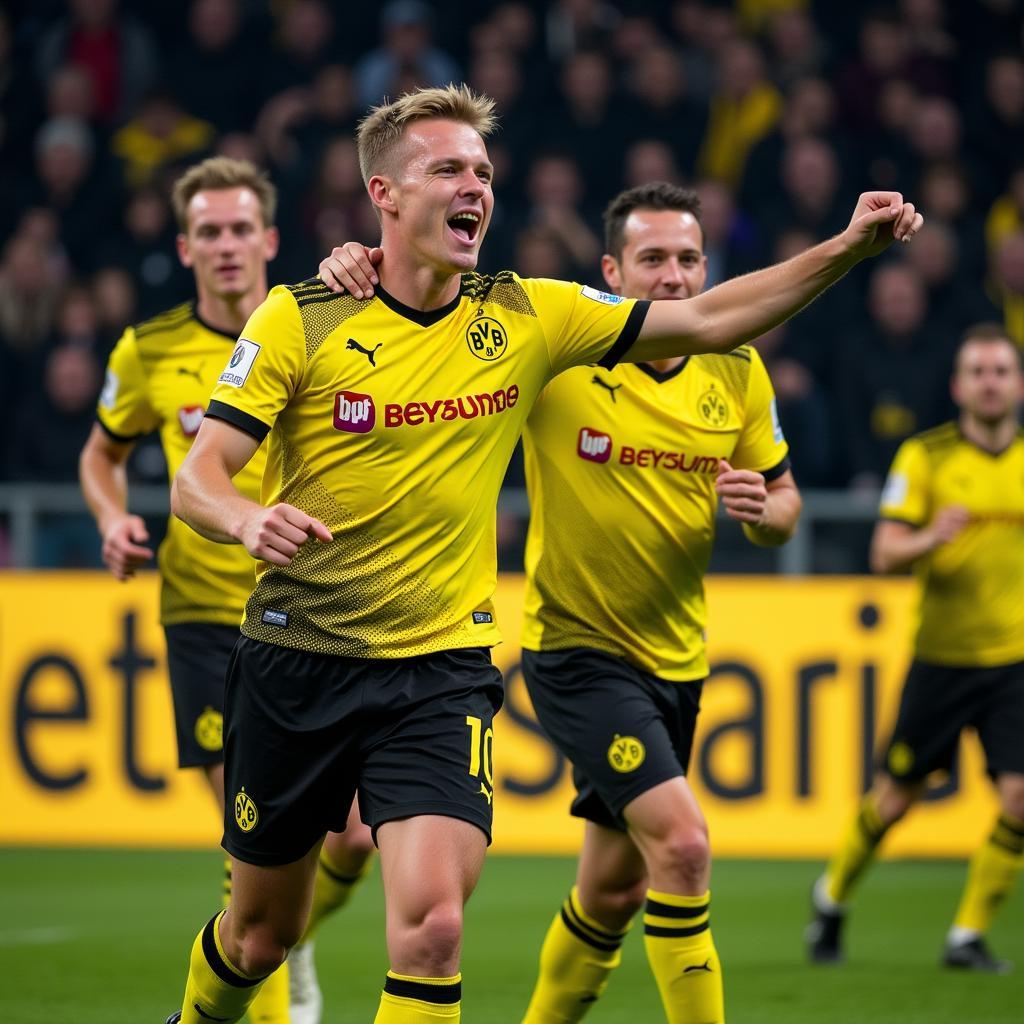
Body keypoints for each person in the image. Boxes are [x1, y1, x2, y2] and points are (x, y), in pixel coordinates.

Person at [166, 84, 920, 1024]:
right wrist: (245, 521)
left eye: (482, 171)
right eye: (446, 168)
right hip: (299, 660)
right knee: (259, 937)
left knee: (436, 929)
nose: (473, 185)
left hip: (439, 671)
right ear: (384, 195)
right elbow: (197, 479)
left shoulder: (529, 315)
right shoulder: (302, 317)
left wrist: (848, 248)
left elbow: (709, 321)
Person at [325, 181, 801, 1024]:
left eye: (689, 258)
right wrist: (360, 262)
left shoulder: (737, 366)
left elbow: (784, 498)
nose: (673, 275)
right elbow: (437, 308)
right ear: (614, 270)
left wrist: (768, 517)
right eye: (652, 258)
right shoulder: (560, 356)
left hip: (676, 660)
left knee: (614, 893)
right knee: (684, 847)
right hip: (575, 654)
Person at [78, 156, 373, 1024]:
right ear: (185, 246)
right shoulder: (148, 349)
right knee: (255, 843)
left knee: (352, 839)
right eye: (208, 231)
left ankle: (290, 937)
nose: (227, 245)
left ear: (270, 239)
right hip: (208, 617)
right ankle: (274, 997)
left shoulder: (312, 323)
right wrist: (109, 517)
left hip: (315, 611)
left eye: (242, 228)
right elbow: (103, 453)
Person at [807, 322, 1024, 973]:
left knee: (1019, 799)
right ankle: (832, 895)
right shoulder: (925, 457)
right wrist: (929, 537)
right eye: (978, 372)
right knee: (894, 799)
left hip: (1013, 661)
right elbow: (884, 552)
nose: (990, 382)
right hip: (942, 660)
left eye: (1002, 371)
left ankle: (967, 935)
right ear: (958, 386)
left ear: (1016, 383)